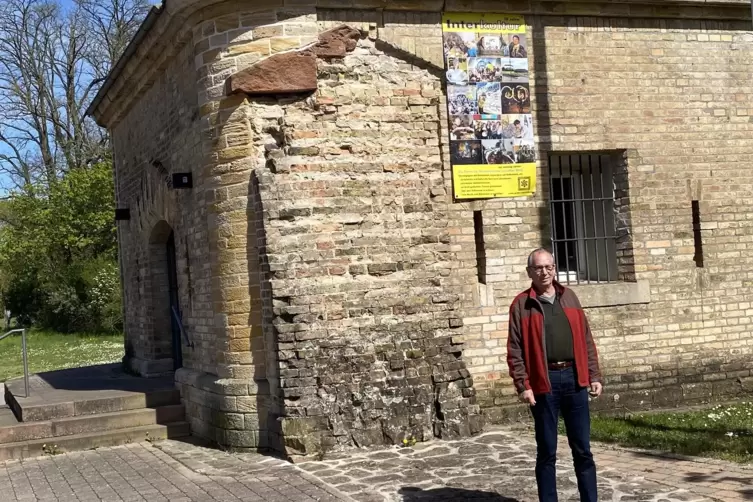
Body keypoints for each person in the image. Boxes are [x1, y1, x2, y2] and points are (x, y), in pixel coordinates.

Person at [507, 248, 603, 502]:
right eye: (538, 268)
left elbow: (586, 339)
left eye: (548, 267)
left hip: (574, 379)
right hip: (544, 383)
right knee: (547, 451)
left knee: (582, 449)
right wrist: (522, 385)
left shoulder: (569, 297)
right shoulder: (521, 304)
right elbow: (514, 349)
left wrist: (594, 374)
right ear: (530, 272)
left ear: (555, 268)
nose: (544, 272)